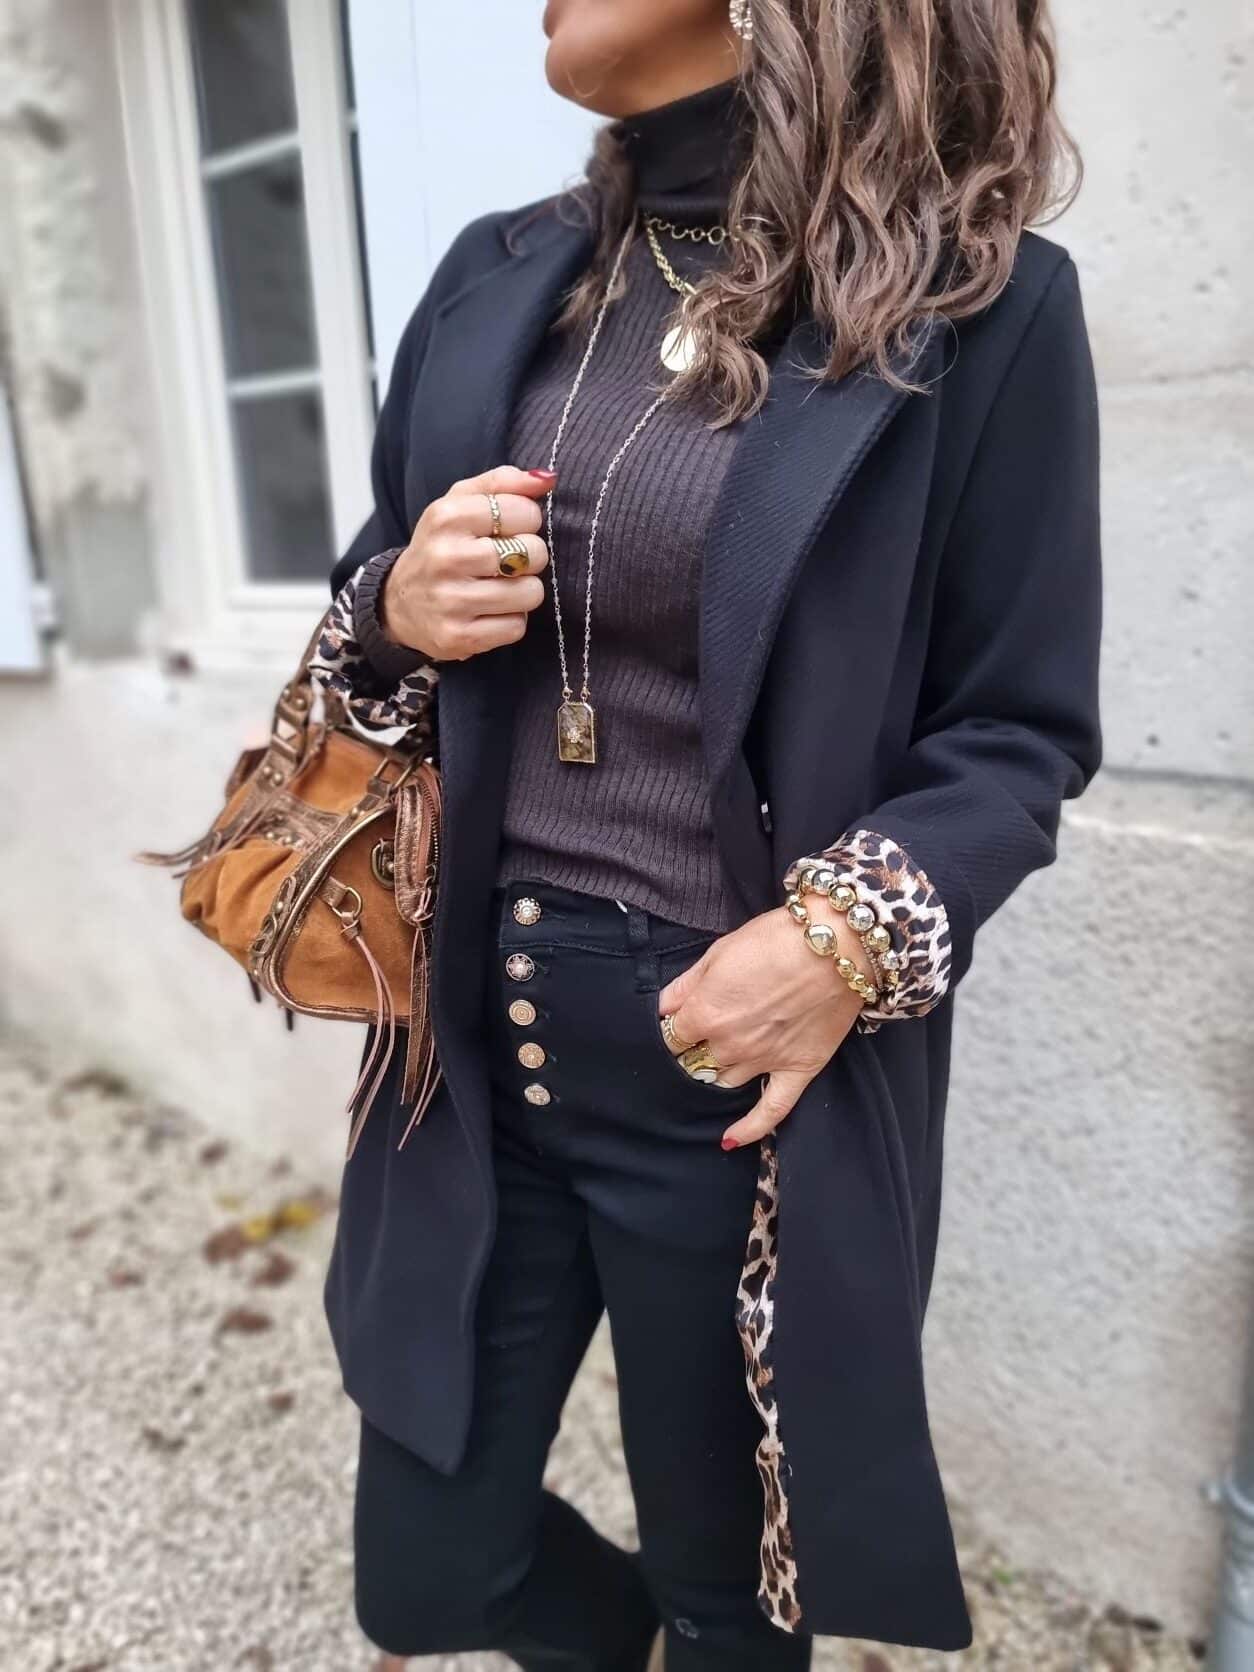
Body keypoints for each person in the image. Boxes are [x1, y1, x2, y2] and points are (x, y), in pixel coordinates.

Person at [313, 1, 1101, 1666]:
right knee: (429, 1575)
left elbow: (1015, 733)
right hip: (469, 1045)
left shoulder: (981, 307)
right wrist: (395, 603)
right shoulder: (496, 273)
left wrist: (839, 943)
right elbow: (368, 614)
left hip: (731, 1077)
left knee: (731, 1598)